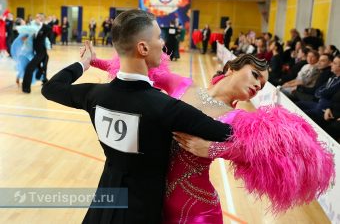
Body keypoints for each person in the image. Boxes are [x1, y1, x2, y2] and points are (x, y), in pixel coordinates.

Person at [90, 47, 334, 222]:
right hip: (151, 197)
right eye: (255, 75)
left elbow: (260, 154)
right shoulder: (184, 86)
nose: (258, 86)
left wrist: (213, 149)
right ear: (231, 68)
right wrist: (93, 61)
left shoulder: (239, 119)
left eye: (261, 85)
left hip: (196, 208)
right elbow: (136, 74)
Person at [42, 10, 233, 224]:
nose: (163, 44)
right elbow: (228, 133)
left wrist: (84, 64)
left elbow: (51, 88)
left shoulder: (95, 95)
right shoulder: (165, 107)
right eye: (159, 37)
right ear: (143, 48)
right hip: (142, 211)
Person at [22, 13, 51, 93]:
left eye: (38, 17)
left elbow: (49, 29)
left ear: (42, 19)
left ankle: (26, 88)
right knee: (41, 69)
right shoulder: (33, 28)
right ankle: (45, 80)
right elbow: (27, 33)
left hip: (41, 53)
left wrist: (42, 24)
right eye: (36, 17)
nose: (36, 18)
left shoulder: (45, 28)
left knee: (29, 68)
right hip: (35, 53)